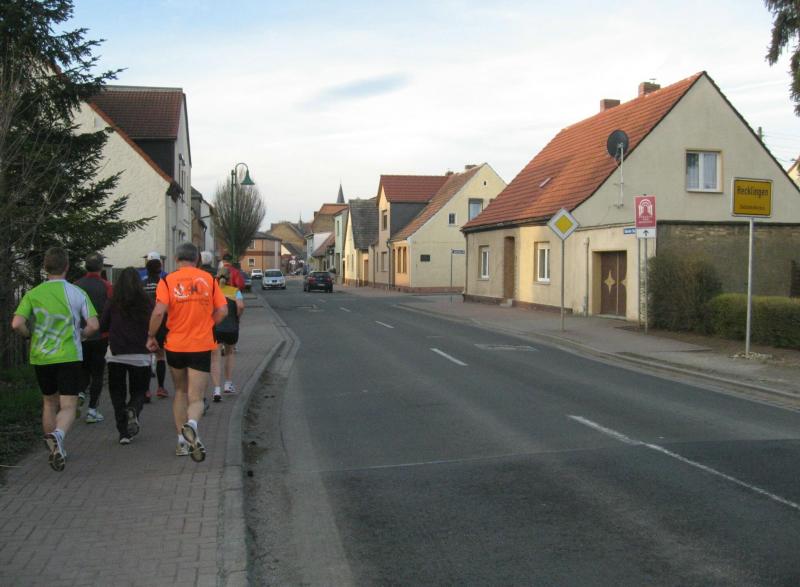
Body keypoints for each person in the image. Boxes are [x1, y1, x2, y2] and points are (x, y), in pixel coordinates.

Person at [12, 247, 99, 471]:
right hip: (68, 355)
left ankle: (54, 449)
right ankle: (58, 435)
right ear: (67, 267)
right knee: (69, 405)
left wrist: (29, 336)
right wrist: (82, 335)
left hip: (41, 356)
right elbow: (93, 325)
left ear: (45, 267)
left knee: (49, 402)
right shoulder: (77, 292)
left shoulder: (33, 294)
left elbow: (17, 323)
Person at [147, 243, 227, 462]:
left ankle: (181, 443)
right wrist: (209, 324)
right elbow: (223, 310)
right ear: (197, 260)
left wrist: (151, 336)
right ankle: (191, 425)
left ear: (176, 259)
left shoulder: (167, 281)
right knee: (196, 397)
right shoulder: (208, 280)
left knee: (180, 392)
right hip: (200, 344)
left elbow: (158, 312)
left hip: (175, 345)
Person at [100, 267, 153, 444]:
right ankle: (133, 409)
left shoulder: (113, 302)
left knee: (117, 393)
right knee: (139, 390)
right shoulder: (147, 302)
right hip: (141, 354)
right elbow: (156, 324)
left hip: (116, 354)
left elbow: (103, 325)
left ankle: (123, 433)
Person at [74, 252, 113, 424]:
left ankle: (80, 392)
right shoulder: (107, 286)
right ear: (101, 267)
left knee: (83, 369)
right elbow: (112, 309)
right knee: (97, 373)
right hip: (100, 335)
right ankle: (92, 411)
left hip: (80, 334)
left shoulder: (75, 285)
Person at [210, 267, 244, 402]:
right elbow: (240, 306)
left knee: (215, 358)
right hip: (231, 327)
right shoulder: (235, 291)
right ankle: (228, 384)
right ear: (230, 278)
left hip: (216, 328)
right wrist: (237, 317)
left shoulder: (213, 291)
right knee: (230, 353)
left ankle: (216, 389)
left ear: (217, 278)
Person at [142, 251, 168, 400]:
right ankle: (161, 387)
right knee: (160, 355)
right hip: (161, 324)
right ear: (160, 268)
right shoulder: (164, 283)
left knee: (146, 356)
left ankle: (146, 390)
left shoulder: (141, 284)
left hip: (145, 323)